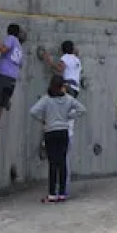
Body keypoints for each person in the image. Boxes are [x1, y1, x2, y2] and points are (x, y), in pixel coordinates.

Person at [28, 75, 86, 203]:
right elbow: (82, 109)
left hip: (50, 131)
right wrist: (69, 116)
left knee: (53, 163)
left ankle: (52, 193)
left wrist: (44, 119)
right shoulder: (68, 99)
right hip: (63, 131)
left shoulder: (46, 99)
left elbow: (33, 111)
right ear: (62, 86)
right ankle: (62, 193)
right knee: (62, 162)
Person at [36, 41, 83, 192]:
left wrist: (48, 60)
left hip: (68, 86)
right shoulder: (77, 60)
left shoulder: (66, 58)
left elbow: (59, 68)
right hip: (75, 89)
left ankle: (51, 125)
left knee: (51, 101)